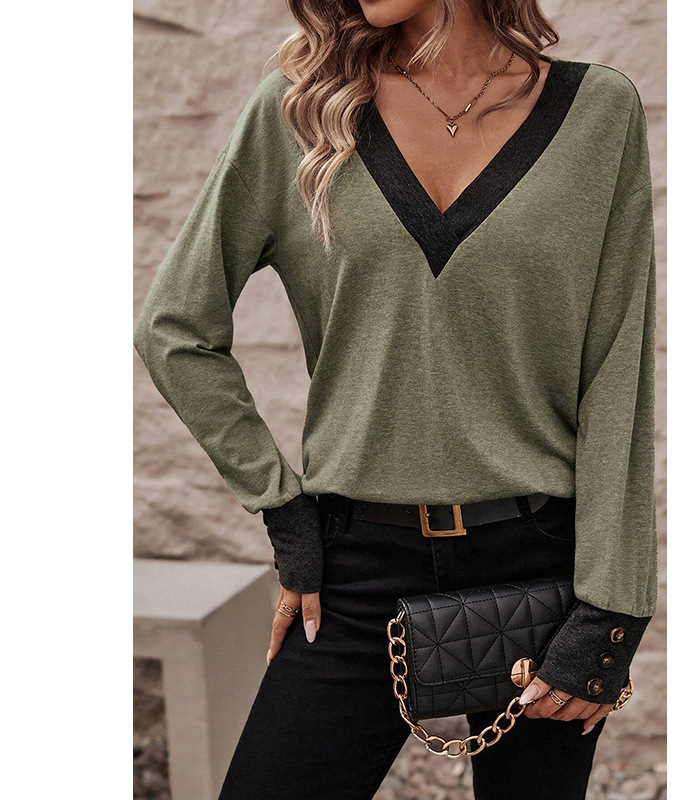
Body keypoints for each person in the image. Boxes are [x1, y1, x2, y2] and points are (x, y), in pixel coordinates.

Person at [134, 1, 659, 798]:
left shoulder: (599, 112)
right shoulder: (300, 110)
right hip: (357, 569)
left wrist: (612, 611)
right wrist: (283, 510)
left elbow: (619, 369)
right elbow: (174, 329)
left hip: (544, 567)